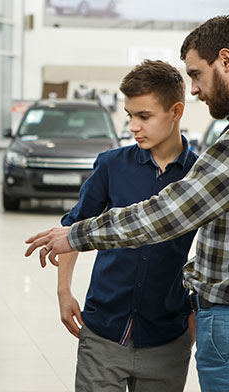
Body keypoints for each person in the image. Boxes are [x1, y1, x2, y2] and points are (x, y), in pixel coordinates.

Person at [25, 15, 229, 392]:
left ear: (226, 60)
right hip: (113, 328)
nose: (195, 89)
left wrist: (76, 235)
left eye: (197, 74)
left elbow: (171, 212)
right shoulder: (112, 164)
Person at [57, 60, 197, 392]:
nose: (134, 126)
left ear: (176, 111)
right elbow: (72, 229)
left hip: (168, 337)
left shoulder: (199, 176)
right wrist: (64, 291)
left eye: (144, 116)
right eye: (129, 115)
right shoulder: (111, 165)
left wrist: (193, 321)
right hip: (103, 331)